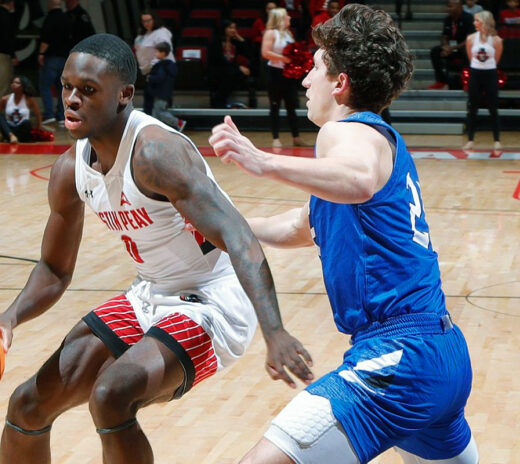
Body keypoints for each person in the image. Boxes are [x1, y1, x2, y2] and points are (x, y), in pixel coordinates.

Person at [0, 33, 312, 464]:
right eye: (67, 86)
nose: (71, 99)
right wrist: (7, 319)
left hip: (212, 301)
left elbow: (240, 238)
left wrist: (274, 331)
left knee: (111, 395)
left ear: (124, 95)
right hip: (148, 292)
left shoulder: (155, 154)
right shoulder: (71, 168)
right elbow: (54, 269)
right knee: (28, 405)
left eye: (88, 91)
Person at [209, 4, 478, 463]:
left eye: (314, 68)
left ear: (341, 83)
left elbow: (358, 179)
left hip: (399, 359)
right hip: (442, 355)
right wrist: (214, 225)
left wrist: (263, 162)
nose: (305, 80)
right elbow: (302, 225)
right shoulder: (376, 142)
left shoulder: (348, 132)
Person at [261, 8, 305, 148]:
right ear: (280, 18)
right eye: (286, 16)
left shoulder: (288, 33)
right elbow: (265, 53)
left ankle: (296, 137)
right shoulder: (270, 33)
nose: (289, 17)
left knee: (291, 105)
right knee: (275, 105)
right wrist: (284, 58)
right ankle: (275, 138)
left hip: (288, 73)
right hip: (275, 73)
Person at [464, 10, 503, 151]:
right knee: (473, 107)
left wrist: (487, 68)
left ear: (485, 21)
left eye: (477, 20)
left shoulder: (497, 40)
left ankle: (497, 140)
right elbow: (470, 57)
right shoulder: (470, 39)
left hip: (490, 74)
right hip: (475, 74)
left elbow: (496, 59)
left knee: (493, 108)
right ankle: (470, 139)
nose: (474, 23)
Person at [209, 20, 257, 109]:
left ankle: (220, 100)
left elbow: (248, 53)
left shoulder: (235, 43)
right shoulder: (215, 42)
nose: (233, 30)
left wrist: (240, 38)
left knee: (236, 73)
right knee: (233, 73)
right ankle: (219, 100)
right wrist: (239, 68)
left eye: (234, 28)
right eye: (230, 28)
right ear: (224, 29)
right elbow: (218, 61)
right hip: (218, 69)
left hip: (231, 70)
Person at [133, 10, 174, 115]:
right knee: (149, 103)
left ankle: (175, 125)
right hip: (148, 72)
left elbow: (165, 51)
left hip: (161, 69)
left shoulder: (161, 32)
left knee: (159, 104)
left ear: (154, 20)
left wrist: (155, 67)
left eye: (148, 20)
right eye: (143, 21)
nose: (146, 23)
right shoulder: (142, 36)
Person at [428, 0, 475, 89]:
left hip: (463, 47)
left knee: (466, 52)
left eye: (451, 6)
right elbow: (444, 36)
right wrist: (446, 47)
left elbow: (469, 39)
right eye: (448, 6)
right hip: (451, 48)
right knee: (435, 51)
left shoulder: (468, 18)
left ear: (459, 6)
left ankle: (467, 81)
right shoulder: (448, 19)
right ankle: (441, 81)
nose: (448, 9)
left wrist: (453, 48)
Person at [39, 0, 69, 126]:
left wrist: (41, 53)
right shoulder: (67, 18)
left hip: (51, 57)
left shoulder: (50, 18)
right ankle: (62, 115)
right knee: (61, 87)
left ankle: (49, 114)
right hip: (65, 58)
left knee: (45, 86)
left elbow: (46, 38)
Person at [0, 75, 42, 143]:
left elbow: (38, 115)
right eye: (13, 82)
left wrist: (38, 129)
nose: (13, 84)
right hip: (9, 130)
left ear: (23, 86)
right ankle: (11, 136)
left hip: (23, 130)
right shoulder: (5, 99)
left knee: (27, 123)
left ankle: (3, 138)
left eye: (17, 83)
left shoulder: (29, 99)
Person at [147, 42, 186, 132]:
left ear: (163, 53)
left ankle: (178, 123)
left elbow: (159, 78)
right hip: (164, 93)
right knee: (156, 112)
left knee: (160, 112)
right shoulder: (169, 65)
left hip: (161, 93)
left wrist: (150, 78)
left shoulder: (162, 66)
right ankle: (156, 129)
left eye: (157, 52)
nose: (155, 54)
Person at [0, 0, 19, 111]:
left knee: (2, 82)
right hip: (3, 53)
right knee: (2, 83)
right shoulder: (5, 15)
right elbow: (7, 36)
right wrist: (13, 54)